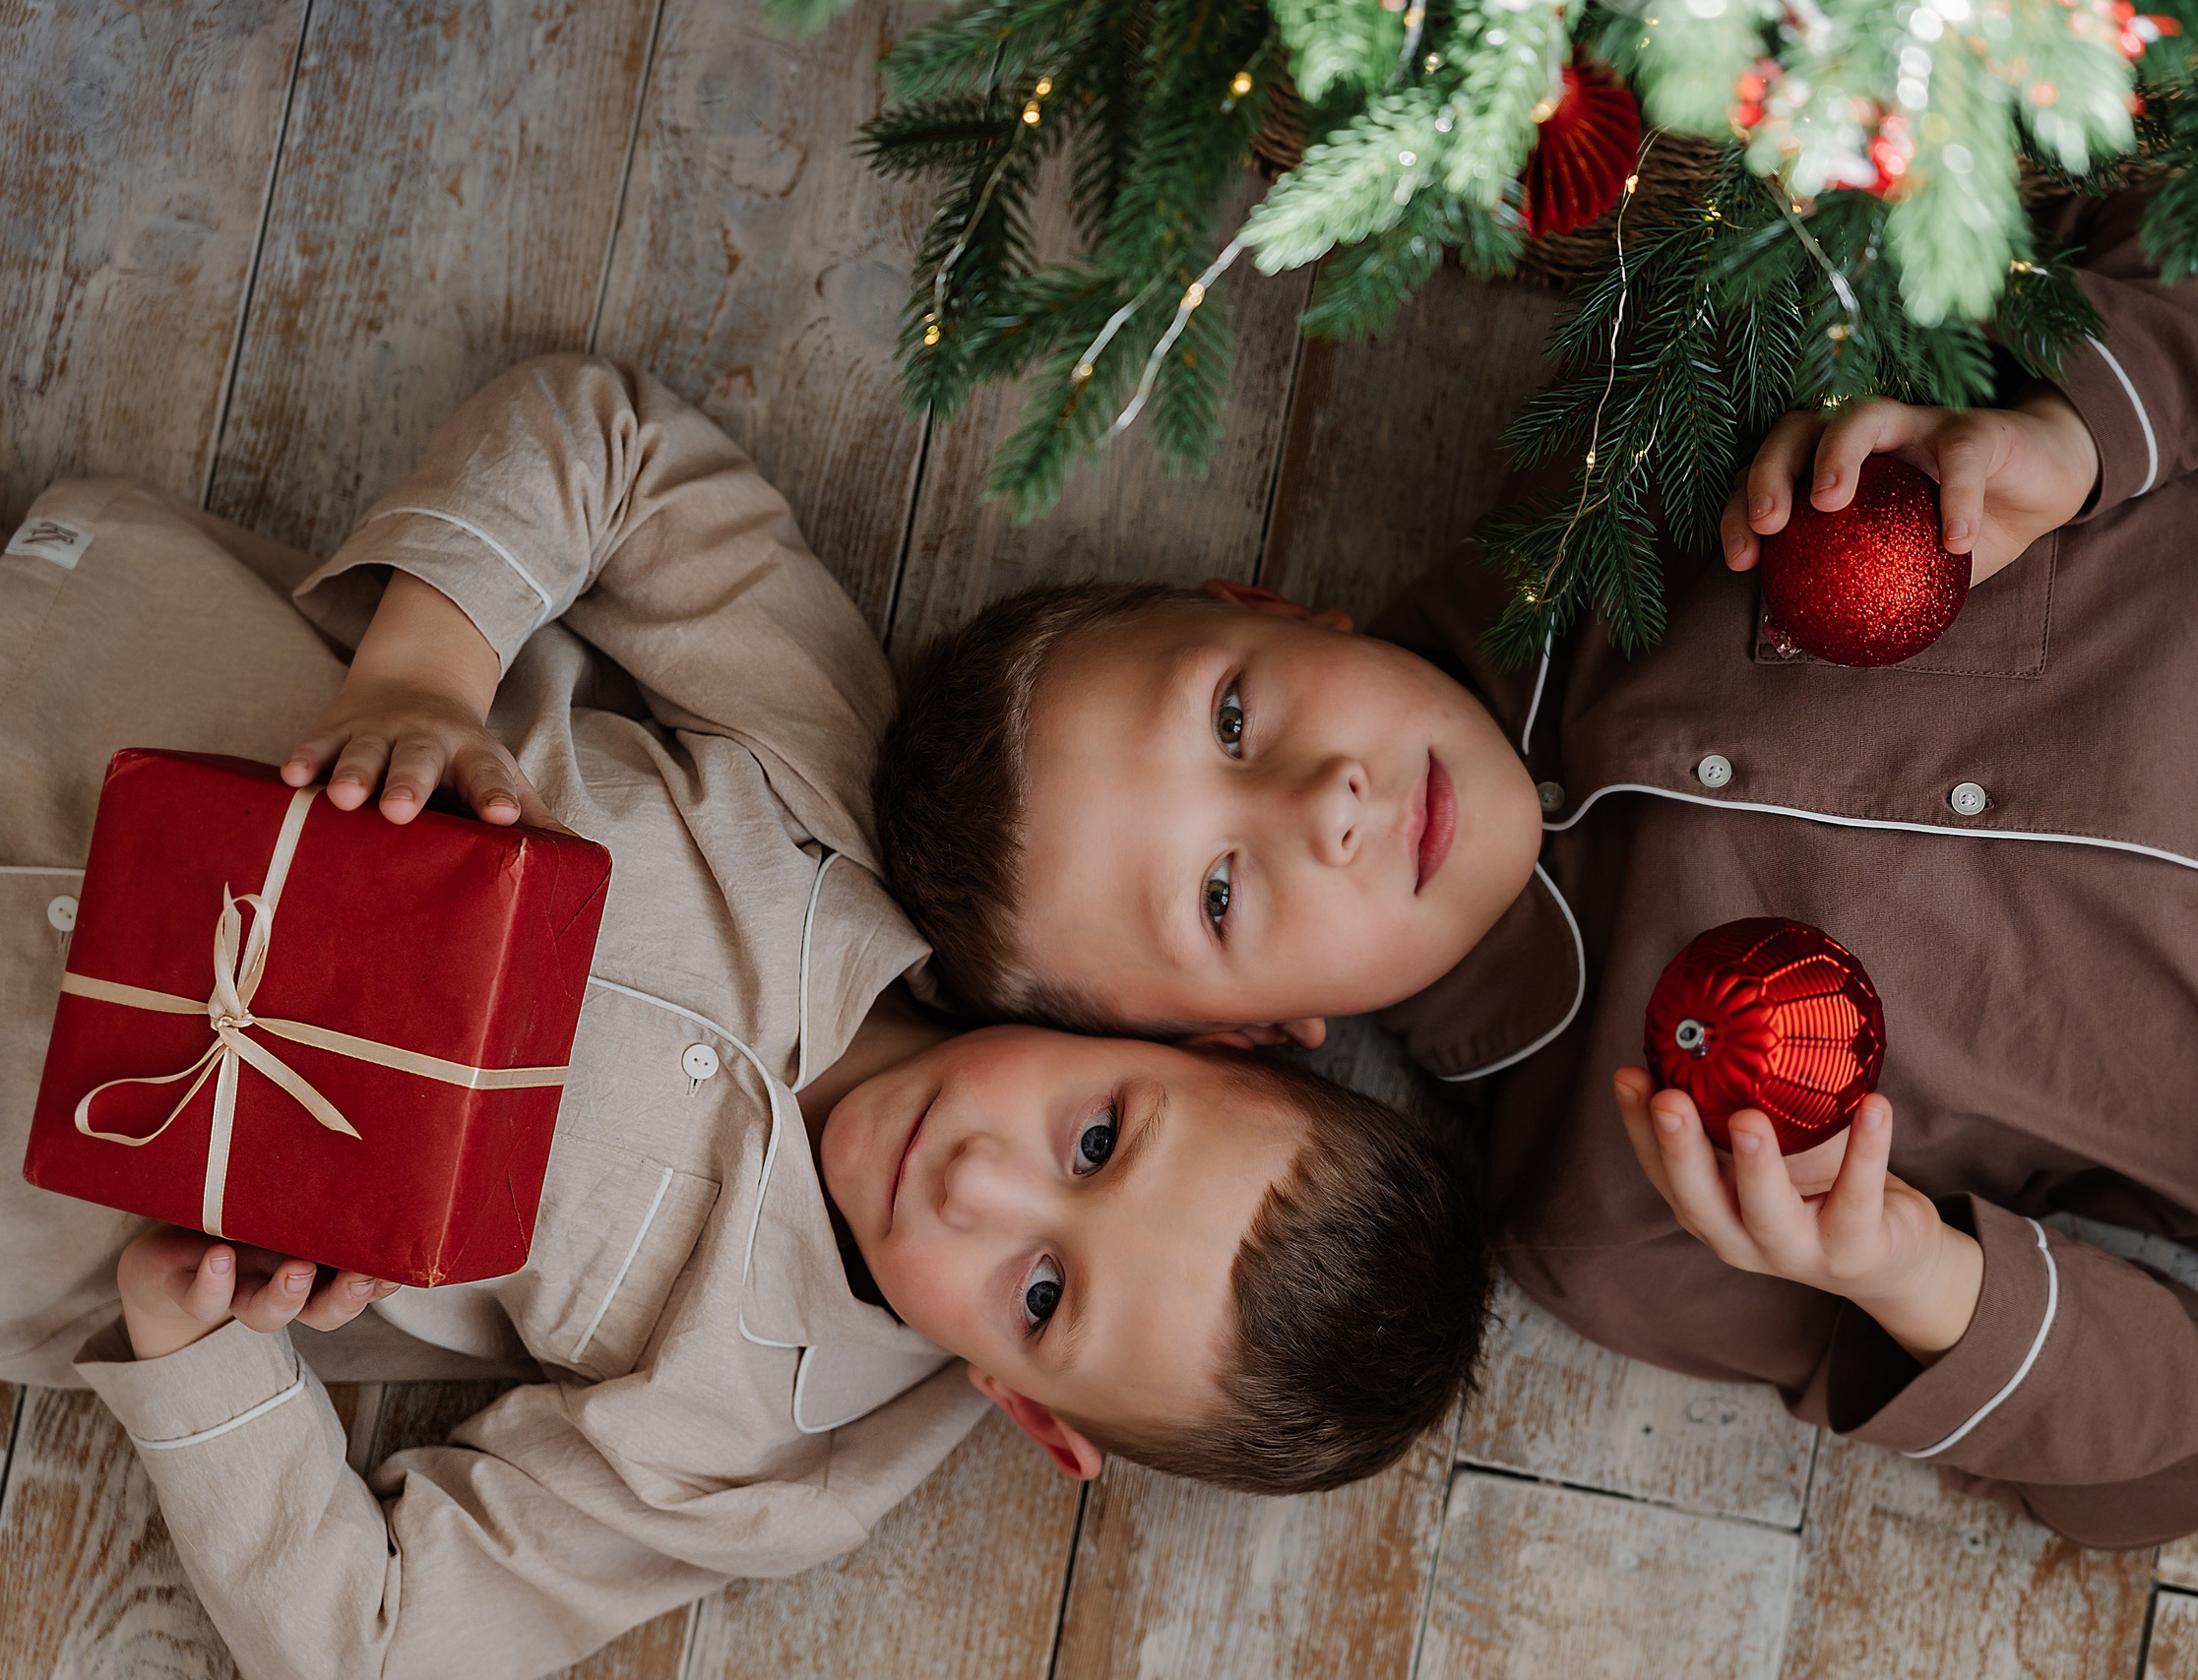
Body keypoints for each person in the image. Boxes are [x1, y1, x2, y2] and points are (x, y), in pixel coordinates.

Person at [875, 189, 2198, 1548]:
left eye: (1235, 717)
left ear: (1264, 610)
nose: (1330, 804)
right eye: (1223, 898)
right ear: (1247, 1035)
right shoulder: (1623, 1213)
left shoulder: (1642, 453)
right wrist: (1910, 1273)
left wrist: (2058, 437)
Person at [0, 356, 1488, 1680]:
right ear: (1175, 1041)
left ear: (1028, 1406)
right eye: (1097, 1139)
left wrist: (198, 1344)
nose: (978, 1183)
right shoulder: (844, 789)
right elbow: (617, 443)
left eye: (1042, 1295)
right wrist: (426, 668)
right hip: (70, 670)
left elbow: (373, 1640)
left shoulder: (764, 1448)